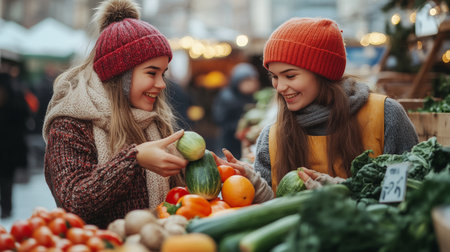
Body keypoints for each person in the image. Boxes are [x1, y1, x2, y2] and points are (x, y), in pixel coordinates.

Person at [214, 17, 418, 201]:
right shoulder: (271, 137)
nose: (280, 87)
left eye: (290, 76)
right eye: (274, 77)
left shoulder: (386, 115)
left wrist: (344, 191)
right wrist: (253, 184)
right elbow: (273, 206)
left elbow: (409, 192)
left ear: (323, 73)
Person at [42, 0, 187, 228]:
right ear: (120, 74)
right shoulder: (70, 124)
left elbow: (179, 196)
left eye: (163, 74)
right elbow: (72, 201)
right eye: (151, 73)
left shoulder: (154, 120)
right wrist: (133, 159)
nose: (161, 84)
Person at [212, 63, 261, 159]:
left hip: (244, 143)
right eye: (247, 81)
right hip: (229, 142)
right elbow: (218, 119)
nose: (251, 84)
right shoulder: (227, 97)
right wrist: (242, 127)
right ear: (237, 81)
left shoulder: (252, 96)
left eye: (253, 81)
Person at [0, 72, 30, 218]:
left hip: (8, 148)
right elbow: (26, 116)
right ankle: (7, 207)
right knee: (7, 180)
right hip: (10, 148)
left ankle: (6, 207)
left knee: (6, 179)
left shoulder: (14, 97)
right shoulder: (16, 95)